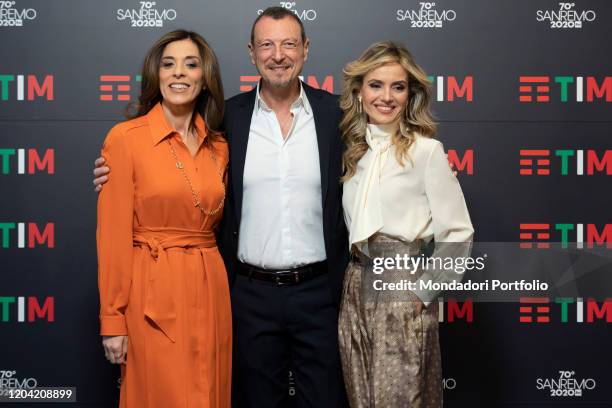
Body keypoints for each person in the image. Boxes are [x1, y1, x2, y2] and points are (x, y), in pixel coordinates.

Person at [94, 8, 349, 408]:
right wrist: (112, 175)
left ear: (306, 49)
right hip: (248, 294)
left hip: (318, 292)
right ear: (251, 53)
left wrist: (425, 171)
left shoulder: (338, 114)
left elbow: (383, 157)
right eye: (266, 44)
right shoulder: (227, 119)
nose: (277, 54)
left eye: (288, 44)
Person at [96, 30, 231, 408]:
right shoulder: (125, 139)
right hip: (153, 290)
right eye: (168, 64)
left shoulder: (218, 145)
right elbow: (111, 238)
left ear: (206, 78)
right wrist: (113, 321)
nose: (179, 74)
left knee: (210, 392)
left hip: (210, 286)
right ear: (155, 75)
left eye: (191, 64)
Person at [337, 41, 474, 408]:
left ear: (410, 94)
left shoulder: (426, 151)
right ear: (359, 92)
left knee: (402, 398)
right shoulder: (352, 152)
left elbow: (458, 232)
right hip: (354, 285)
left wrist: (423, 293)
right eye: (376, 85)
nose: (386, 96)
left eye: (397, 86)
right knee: (361, 398)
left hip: (402, 285)